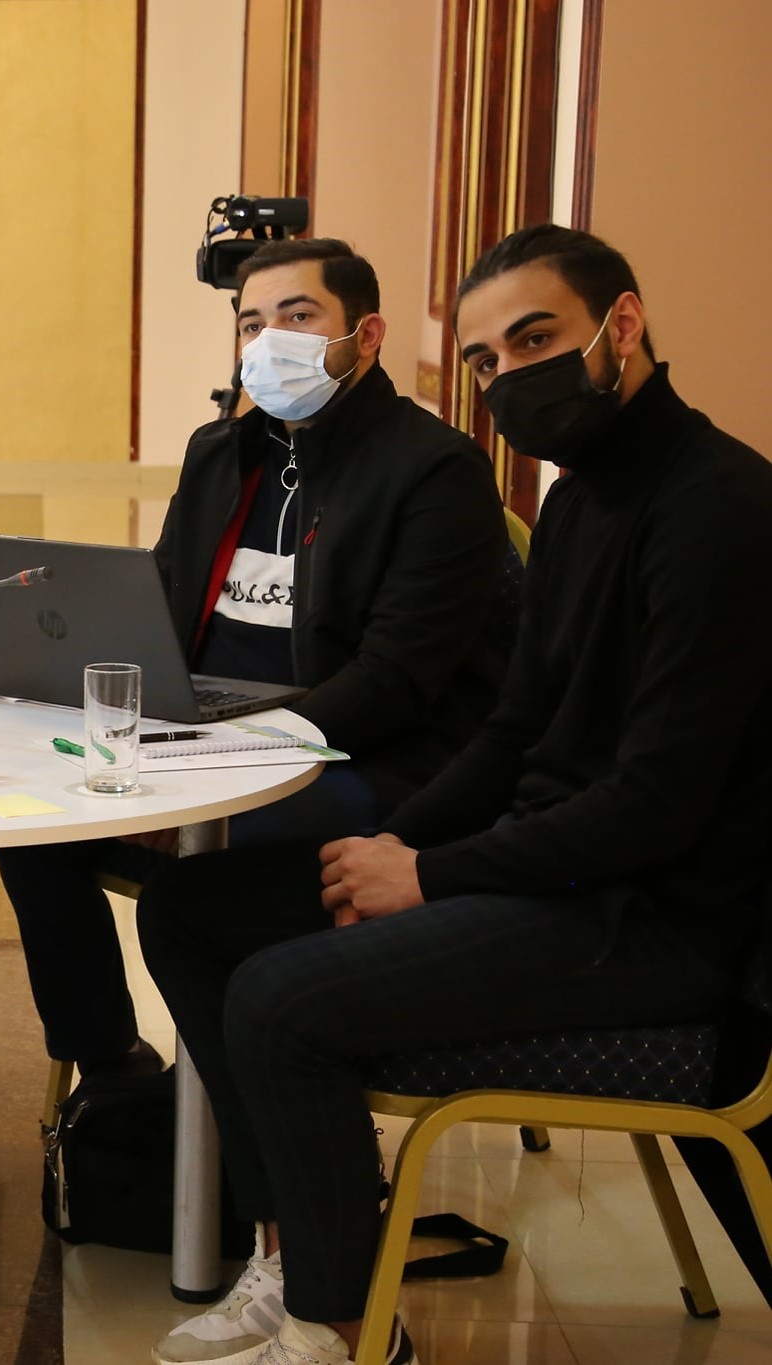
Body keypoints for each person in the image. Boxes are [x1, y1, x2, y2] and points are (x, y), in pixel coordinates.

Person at [138, 224, 772, 1365]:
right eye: (484, 360)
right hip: (553, 867)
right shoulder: (578, 502)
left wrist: (428, 873)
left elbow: (654, 806)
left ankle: (343, 1329)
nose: (508, 376)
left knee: (281, 997)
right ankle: (289, 1260)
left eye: (533, 339)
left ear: (621, 325)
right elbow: (513, 731)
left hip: (651, 919)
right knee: (190, 915)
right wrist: (391, 844)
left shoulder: (720, 509)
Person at [0, 239, 510, 1079]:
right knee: (32, 825)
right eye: (251, 324)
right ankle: (113, 1072)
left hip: (354, 758)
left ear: (367, 335)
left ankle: (229, 1113)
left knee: (190, 891)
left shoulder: (434, 470)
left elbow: (395, 681)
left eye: (298, 317)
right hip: (204, 735)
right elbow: (156, 609)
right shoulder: (221, 453)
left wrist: (224, 753)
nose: (269, 341)